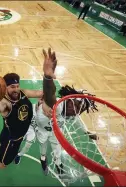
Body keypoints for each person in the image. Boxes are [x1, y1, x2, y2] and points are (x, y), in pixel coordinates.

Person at [39, 48, 98, 176]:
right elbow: (50, 96)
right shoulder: (59, 106)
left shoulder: (73, 114)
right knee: (42, 146)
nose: (76, 110)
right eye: (76, 105)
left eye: (80, 108)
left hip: (54, 130)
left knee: (57, 149)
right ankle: (43, 159)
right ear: (69, 100)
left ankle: (58, 165)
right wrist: (48, 77)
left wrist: (88, 133)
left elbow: (78, 124)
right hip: (41, 126)